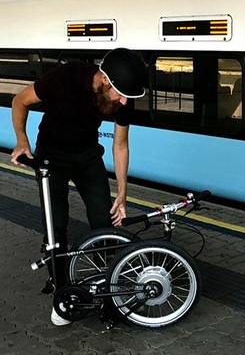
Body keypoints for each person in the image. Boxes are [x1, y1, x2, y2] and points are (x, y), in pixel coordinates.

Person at [10, 47, 147, 326]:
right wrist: (22, 141)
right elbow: (19, 101)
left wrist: (122, 192)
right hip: (52, 156)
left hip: (87, 156)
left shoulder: (124, 97)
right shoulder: (67, 76)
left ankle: (111, 279)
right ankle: (60, 287)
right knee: (56, 223)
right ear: (105, 80)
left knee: (103, 219)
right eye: (120, 94)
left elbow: (120, 145)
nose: (123, 102)